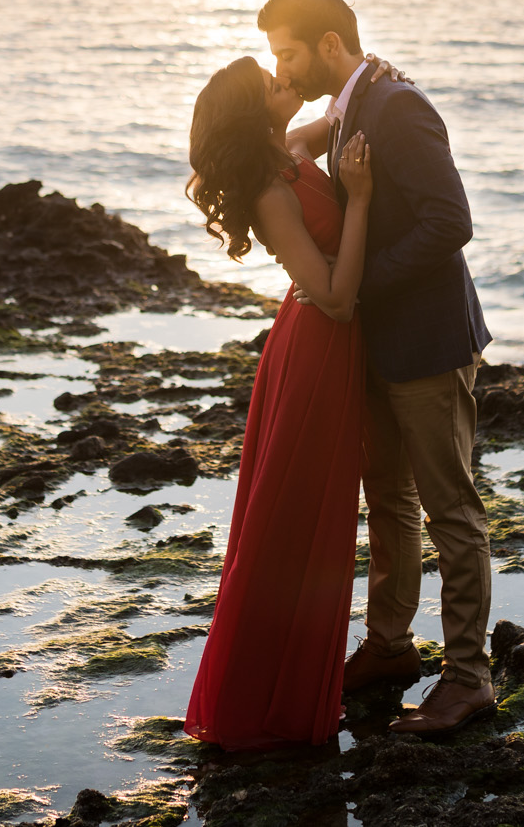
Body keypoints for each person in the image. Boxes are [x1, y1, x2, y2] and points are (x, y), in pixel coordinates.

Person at [258, 0, 496, 736]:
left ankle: (469, 679)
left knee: (450, 509)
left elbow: (450, 220)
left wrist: (361, 282)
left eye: (289, 53)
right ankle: (390, 646)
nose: (283, 70)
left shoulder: (397, 106)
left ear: (331, 44)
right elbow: (288, 144)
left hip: (426, 341)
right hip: (377, 344)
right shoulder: (352, 106)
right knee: (387, 501)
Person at [182, 54, 377, 750]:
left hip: (319, 346)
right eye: (269, 82)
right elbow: (335, 295)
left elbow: (334, 116)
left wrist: (364, 77)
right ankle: (264, 702)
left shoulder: (288, 149)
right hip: (318, 347)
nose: (281, 81)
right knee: (295, 522)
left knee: (307, 518)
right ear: (251, 112)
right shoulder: (268, 186)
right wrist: (359, 198)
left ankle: (293, 686)